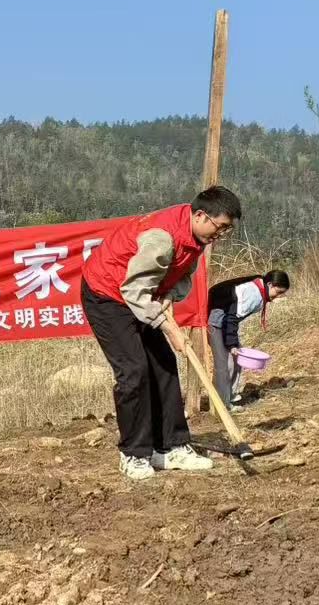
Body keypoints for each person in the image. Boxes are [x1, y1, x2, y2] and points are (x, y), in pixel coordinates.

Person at [79, 186, 243, 481]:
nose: (220, 234)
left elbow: (183, 273)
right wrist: (169, 328)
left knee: (164, 365)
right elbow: (134, 290)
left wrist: (169, 296)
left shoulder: (197, 235)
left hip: (142, 294)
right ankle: (134, 453)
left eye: (226, 230)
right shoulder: (161, 238)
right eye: (220, 227)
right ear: (201, 215)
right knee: (134, 371)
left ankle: (171, 447)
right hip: (108, 295)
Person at [205, 269, 290, 408]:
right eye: (278, 292)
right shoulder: (254, 293)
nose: (278, 296)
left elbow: (235, 316)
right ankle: (221, 405)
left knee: (236, 360)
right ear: (269, 284)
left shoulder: (259, 288)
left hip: (225, 324)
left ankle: (229, 396)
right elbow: (232, 318)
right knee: (224, 364)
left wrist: (233, 344)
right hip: (217, 323)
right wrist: (232, 345)